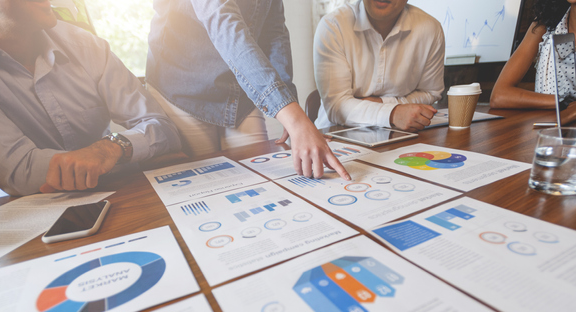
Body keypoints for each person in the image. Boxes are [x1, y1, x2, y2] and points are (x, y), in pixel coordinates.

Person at [0, 0, 182, 197]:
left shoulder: (83, 42)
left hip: (120, 191)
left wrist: (110, 148)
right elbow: (22, 174)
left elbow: (162, 128)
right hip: (31, 215)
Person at [146, 0, 350, 180]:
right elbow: (224, 24)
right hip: (183, 90)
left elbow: (274, 31)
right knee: (206, 185)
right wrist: (295, 119)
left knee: (262, 178)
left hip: (239, 91)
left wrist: (289, 100)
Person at [313, 0, 445, 131]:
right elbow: (338, 107)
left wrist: (383, 103)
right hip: (336, 136)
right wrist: (393, 113)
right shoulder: (333, 26)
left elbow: (430, 92)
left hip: (402, 136)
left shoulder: (430, 29)